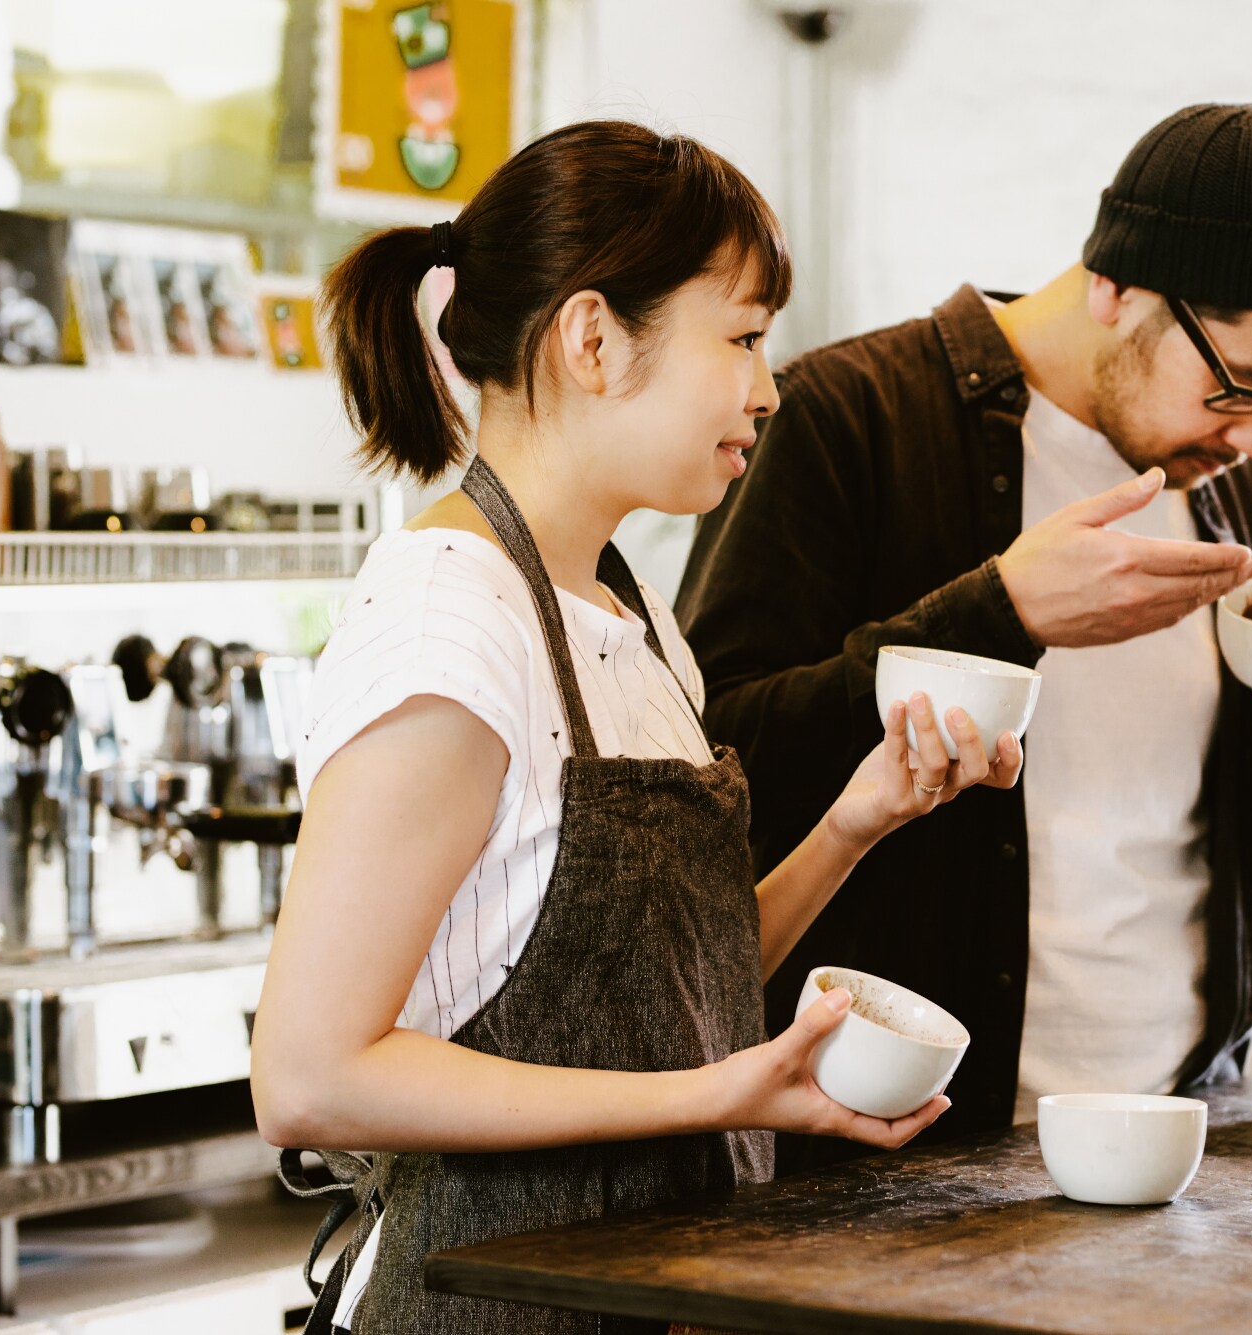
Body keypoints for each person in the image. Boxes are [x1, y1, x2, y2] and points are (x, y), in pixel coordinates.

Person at [249, 121, 1023, 1335]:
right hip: (491, 1301)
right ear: (594, 339)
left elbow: (664, 993)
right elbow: (308, 1080)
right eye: (746, 338)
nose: (770, 386)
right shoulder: (450, 630)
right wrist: (723, 1093)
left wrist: (853, 826)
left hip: (655, 1290)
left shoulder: (632, 612)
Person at [678, 104, 1252, 1163]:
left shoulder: (1232, 492)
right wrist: (997, 613)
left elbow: (1216, 858)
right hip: (898, 1154)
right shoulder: (848, 417)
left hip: (1175, 1137)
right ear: (1113, 284)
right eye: (1241, 388)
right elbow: (718, 769)